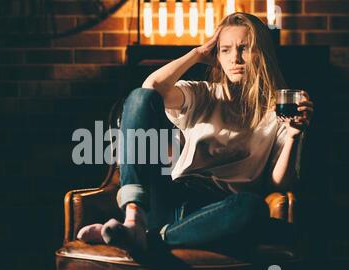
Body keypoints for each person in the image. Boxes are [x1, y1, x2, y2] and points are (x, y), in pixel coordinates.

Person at [76, 13, 314, 252]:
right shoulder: (203, 94)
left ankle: (147, 238)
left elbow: (279, 183)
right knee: (139, 97)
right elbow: (150, 89)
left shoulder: (279, 112)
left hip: (220, 210)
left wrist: (294, 135)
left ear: (261, 53)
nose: (236, 58)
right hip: (172, 197)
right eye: (225, 50)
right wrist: (197, 54)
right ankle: (134, 218)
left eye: (244, 48)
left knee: (252, 207)